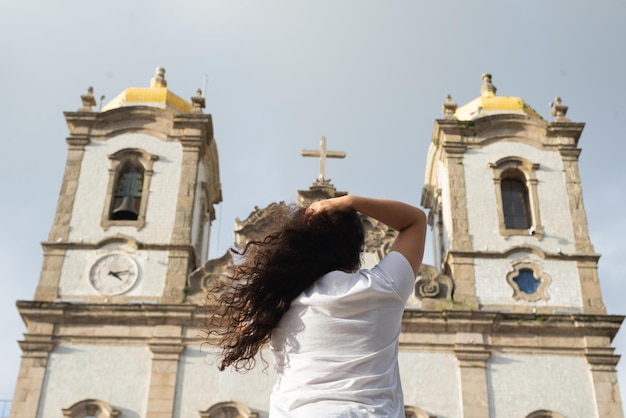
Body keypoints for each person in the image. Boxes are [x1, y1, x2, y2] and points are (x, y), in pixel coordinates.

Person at [207, 195, 427, 417]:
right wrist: (351, 202)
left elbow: (243, 327)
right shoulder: (384, 287)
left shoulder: (277, 300)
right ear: (357, 250)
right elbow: (414, 220)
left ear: (299, 247)